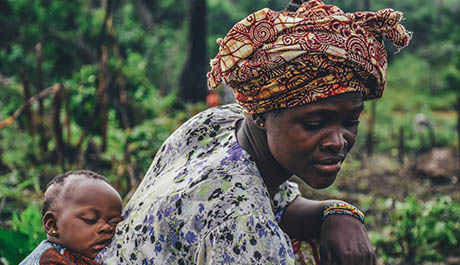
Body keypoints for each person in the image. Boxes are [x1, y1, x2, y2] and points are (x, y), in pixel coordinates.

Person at [97, 0, 411, 264]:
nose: (336, 141)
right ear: (261, 114)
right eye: (314, 124)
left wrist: (337, 211)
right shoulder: (241, 226)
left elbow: (277, 202)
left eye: (350, 121)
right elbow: (248, 211)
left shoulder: (217, 124)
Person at [19, 170, 123, 265]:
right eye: (90, 219)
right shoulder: (49, 260)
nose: (107, 227)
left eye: (114, 222)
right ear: (52, 225)